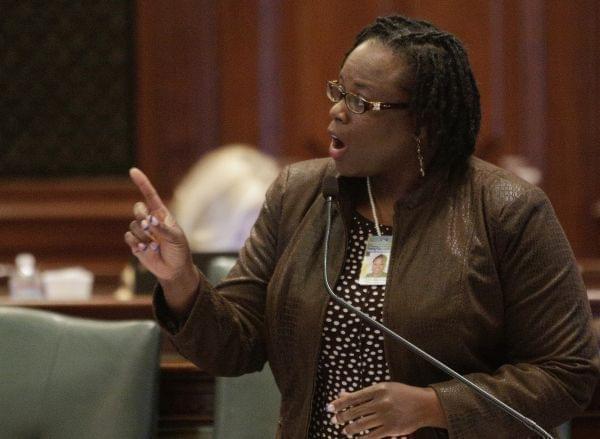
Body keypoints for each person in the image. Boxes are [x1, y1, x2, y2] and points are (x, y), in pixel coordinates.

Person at [125, 15, 599, 439]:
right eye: (339, 91)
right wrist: (179, 279)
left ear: (424, 124)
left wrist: (436, 406)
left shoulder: (506, 210)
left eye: (361, 102)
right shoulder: (299, 195)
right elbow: (236, 348)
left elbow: (566, 372)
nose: (337, 111)